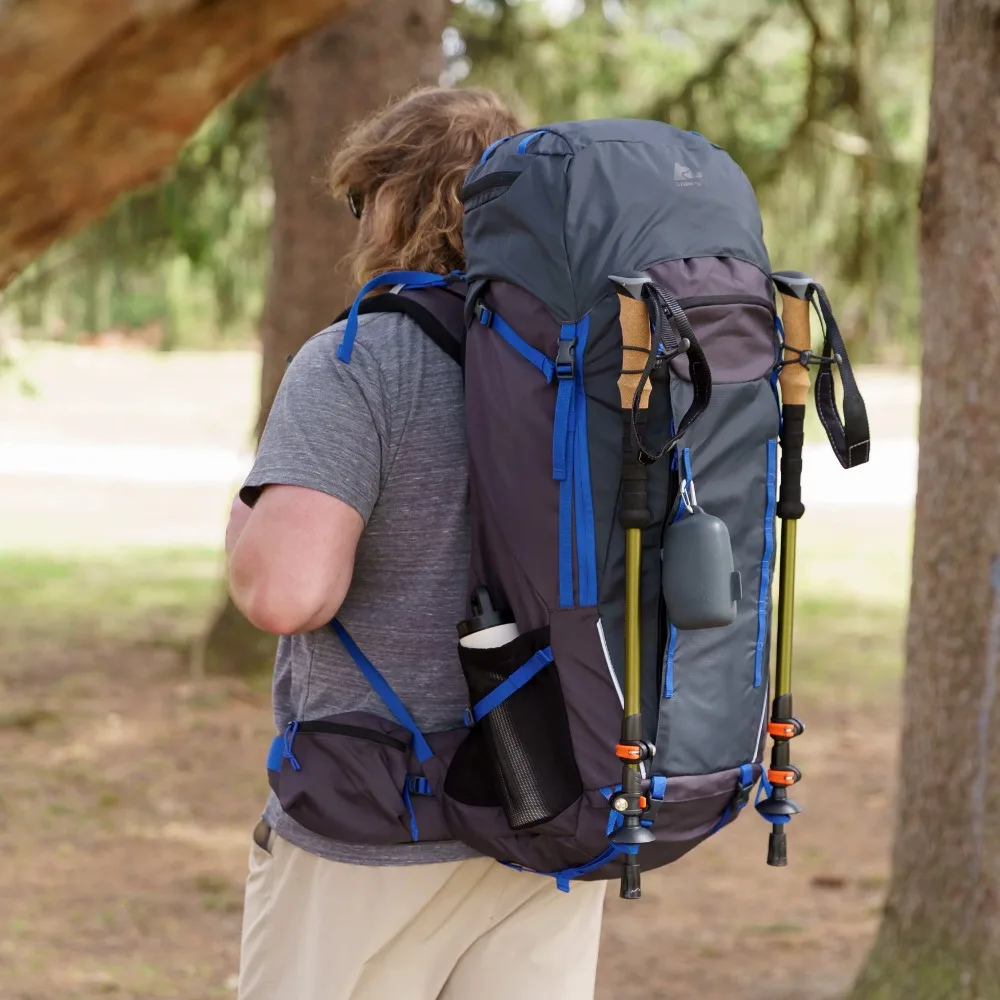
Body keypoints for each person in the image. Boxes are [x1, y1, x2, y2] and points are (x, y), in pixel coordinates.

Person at [227, 87, 609, 1000]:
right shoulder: (585, 364)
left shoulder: (363, 356)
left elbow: (285, 592)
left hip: (376, 824)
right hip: (552, 804)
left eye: (360, 200)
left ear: (394, 198)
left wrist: (247, 518)